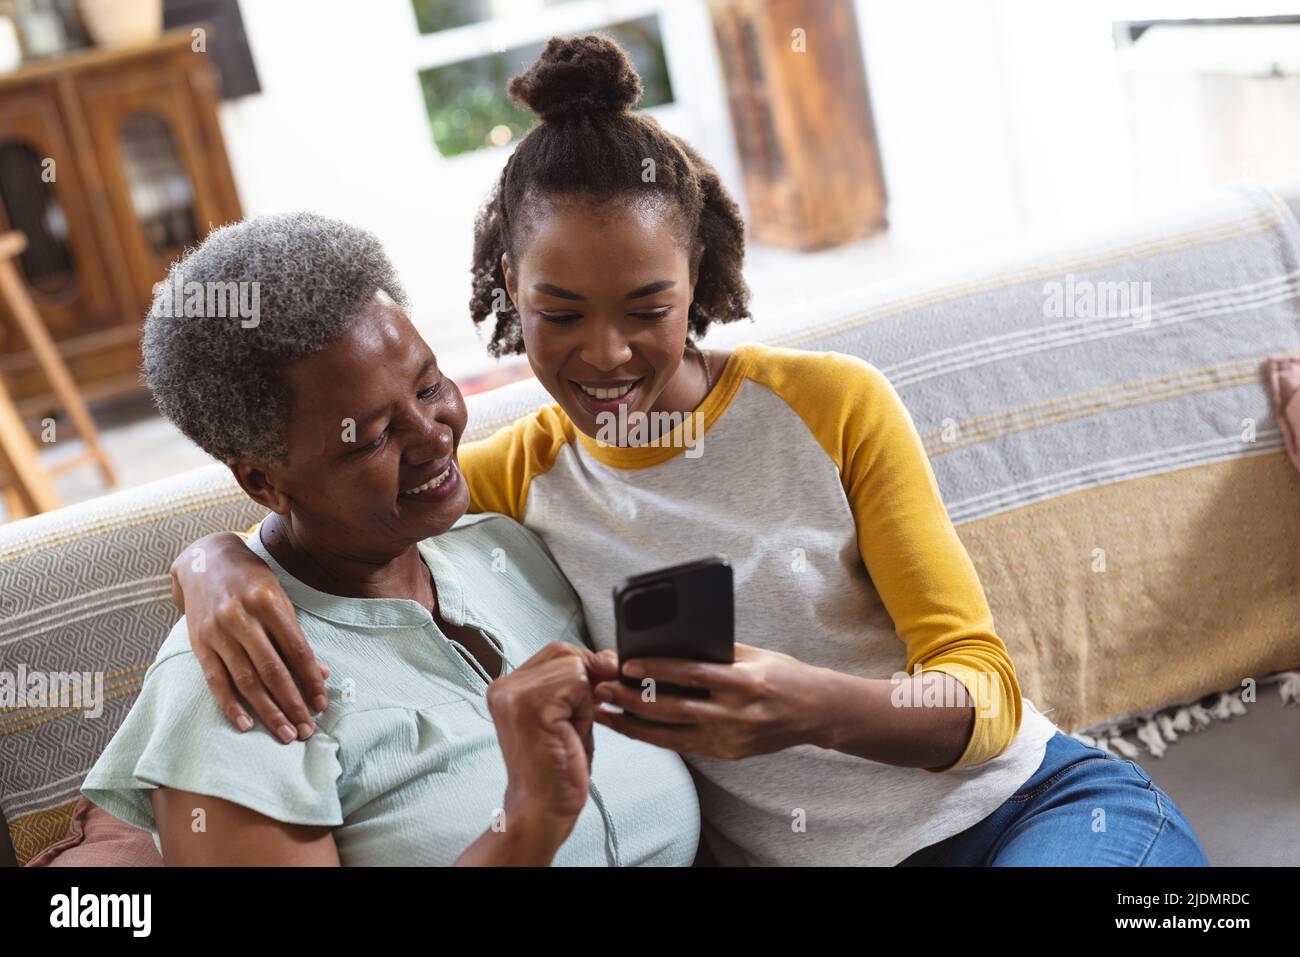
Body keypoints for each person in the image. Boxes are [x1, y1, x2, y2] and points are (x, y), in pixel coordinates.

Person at [165, 36, 1208, 866]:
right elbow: (344, 516)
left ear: (699, 280)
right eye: (558, 314)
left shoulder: (833, 405)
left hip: (1028, 815)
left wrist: (818, 708)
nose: (604, 355)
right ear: (503, 296)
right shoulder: (519, 473)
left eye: (648, 308)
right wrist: (215, 563)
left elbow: (985, 694)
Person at [81, 212, 700, 866]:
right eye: (373, 436)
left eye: (429, 385)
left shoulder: (508, 551)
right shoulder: (237, 684)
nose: (434, 435)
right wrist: (525, 829)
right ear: (263, 481)